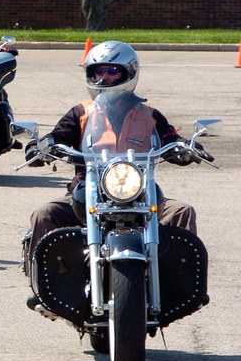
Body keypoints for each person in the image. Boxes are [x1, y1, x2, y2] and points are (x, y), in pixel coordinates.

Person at [24, 41, 209, 257]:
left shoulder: (149, 115)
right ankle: (49, 286)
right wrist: (41, 146)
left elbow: (170, 136)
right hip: (88, 191)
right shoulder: (81, 113)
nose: (103, 77)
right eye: (97, 72)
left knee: (182, 211)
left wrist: (187, 147)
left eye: (112, 71)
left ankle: (179, 286)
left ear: (128, 73)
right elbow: (58, 135)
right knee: (44, 214)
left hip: (139, 192)